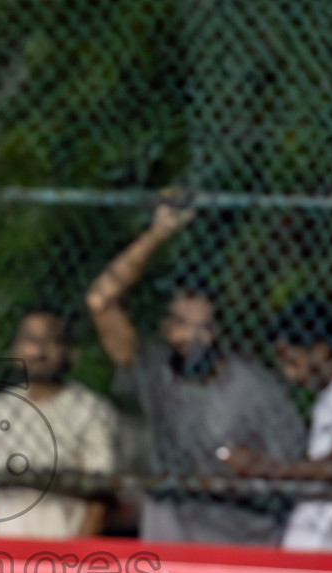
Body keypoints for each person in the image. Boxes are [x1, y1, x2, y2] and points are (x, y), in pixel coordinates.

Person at [85, 204, 306, 544]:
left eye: (203, 327)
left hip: (242, 538)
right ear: (165, 330)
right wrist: (157, 234)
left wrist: (254, 471)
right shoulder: (156, 374)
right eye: (180, 324)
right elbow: (101, 300)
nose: (191, 337)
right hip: (172, 532)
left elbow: (295, 473)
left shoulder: (256, 389)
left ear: (219, 332)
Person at [221, 299, 332, 553]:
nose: (289, 374)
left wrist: (264, 467)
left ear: (320, 350)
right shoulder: (327, 396)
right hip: (314, 523)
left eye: (292, 361)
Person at [0, 309, 117, 537]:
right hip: (4, 547)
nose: (39, 351)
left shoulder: (90, 409)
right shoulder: (0, 408)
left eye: (51, 341)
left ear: (71, 352)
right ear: (15, 349)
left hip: (64, 547)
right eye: (30, 340)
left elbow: (101, 496)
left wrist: (76, 557)